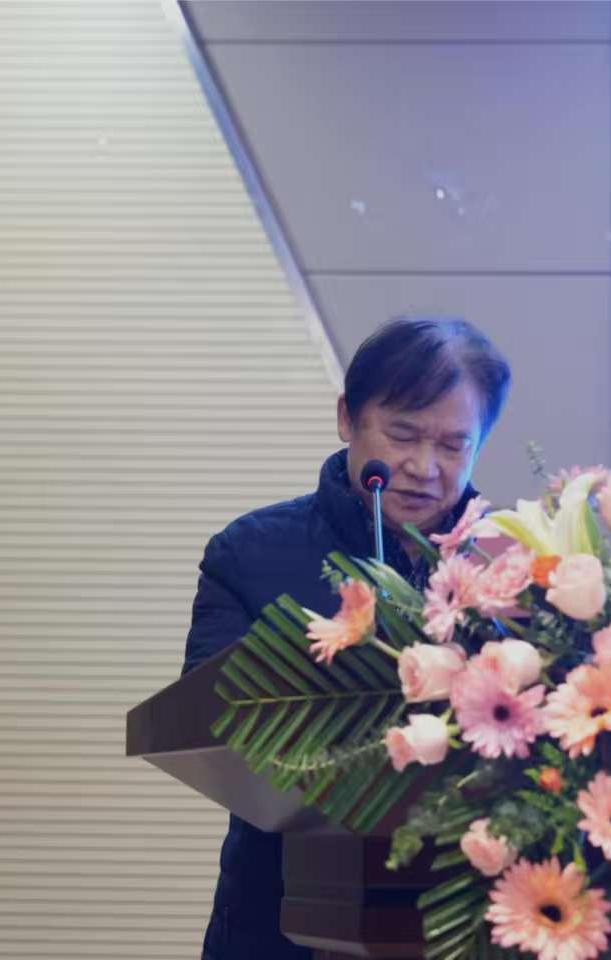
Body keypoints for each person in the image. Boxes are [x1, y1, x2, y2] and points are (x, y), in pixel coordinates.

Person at [180, 317, 511, 958]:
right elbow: (211, 723)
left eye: (453, 445)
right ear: (347, 419)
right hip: (281, 921)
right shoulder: (250, 553)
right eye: (402, 434)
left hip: (464, 920)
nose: (423, 466)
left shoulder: (511, 568)